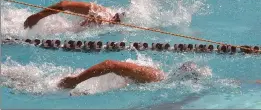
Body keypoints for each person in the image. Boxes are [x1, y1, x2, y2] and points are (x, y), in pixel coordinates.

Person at [58, 61, 201, 89]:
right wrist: (76, 80)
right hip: (79, 83)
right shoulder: (153, 76)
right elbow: (109, 65)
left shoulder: (160, 81)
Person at [23, 0, 125, 29]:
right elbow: (64, 4)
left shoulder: (108, 25)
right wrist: (38, 16)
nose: (112, 20)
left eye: (116, 21)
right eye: (114, 17)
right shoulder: (99, 12)